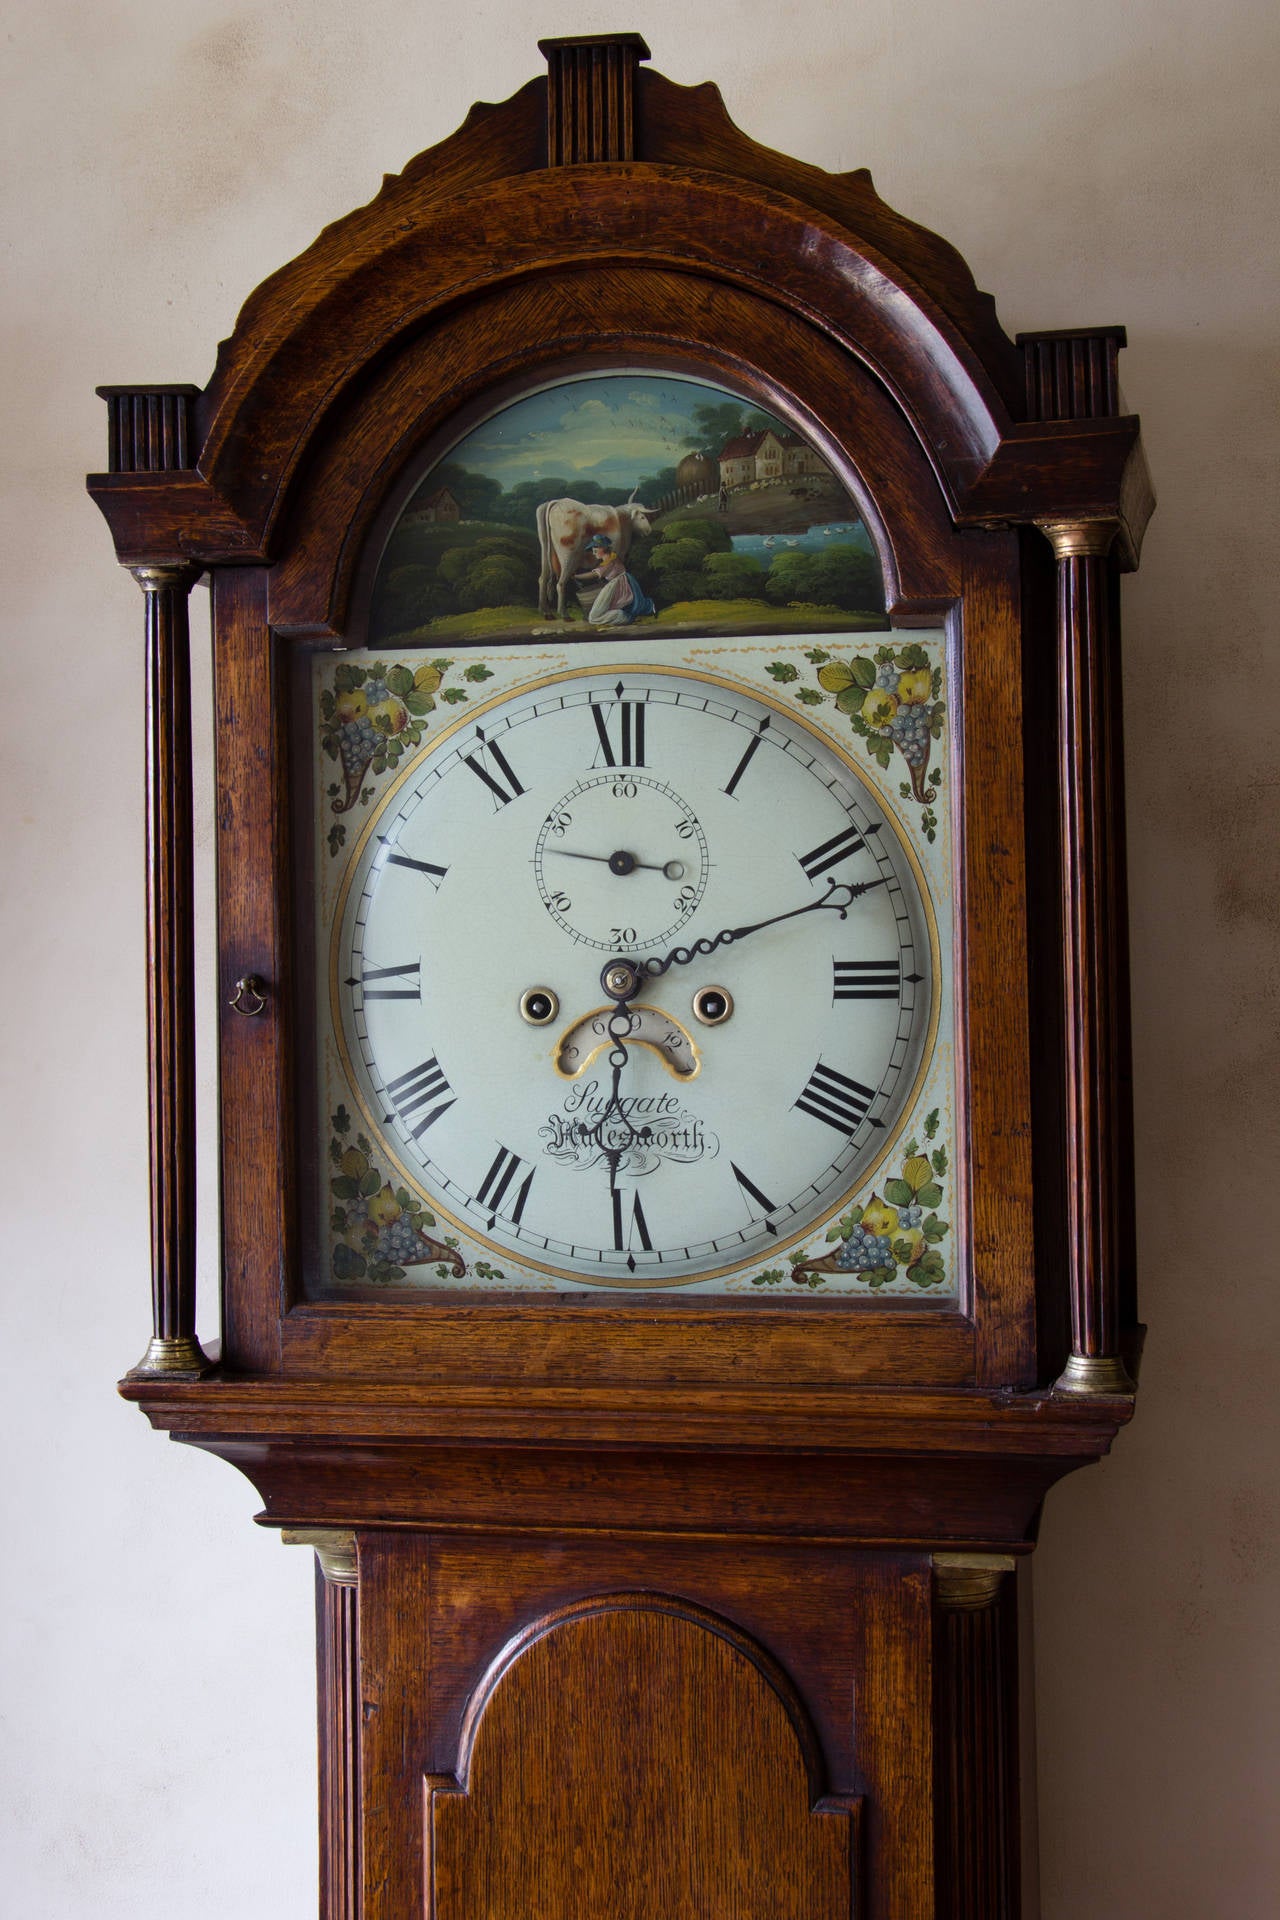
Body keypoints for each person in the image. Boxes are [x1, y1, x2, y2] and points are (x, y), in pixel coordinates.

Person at [576, 533, 656, 627]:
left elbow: (594, 574)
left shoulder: (609, 562)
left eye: (595, 550)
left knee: (594, 617)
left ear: (603, 548)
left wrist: (576, 577)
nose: (593, 553)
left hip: (617, 584)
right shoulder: (612, 557)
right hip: (620, 582)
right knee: (602, 611)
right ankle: (624, 615)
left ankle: (624, 617)